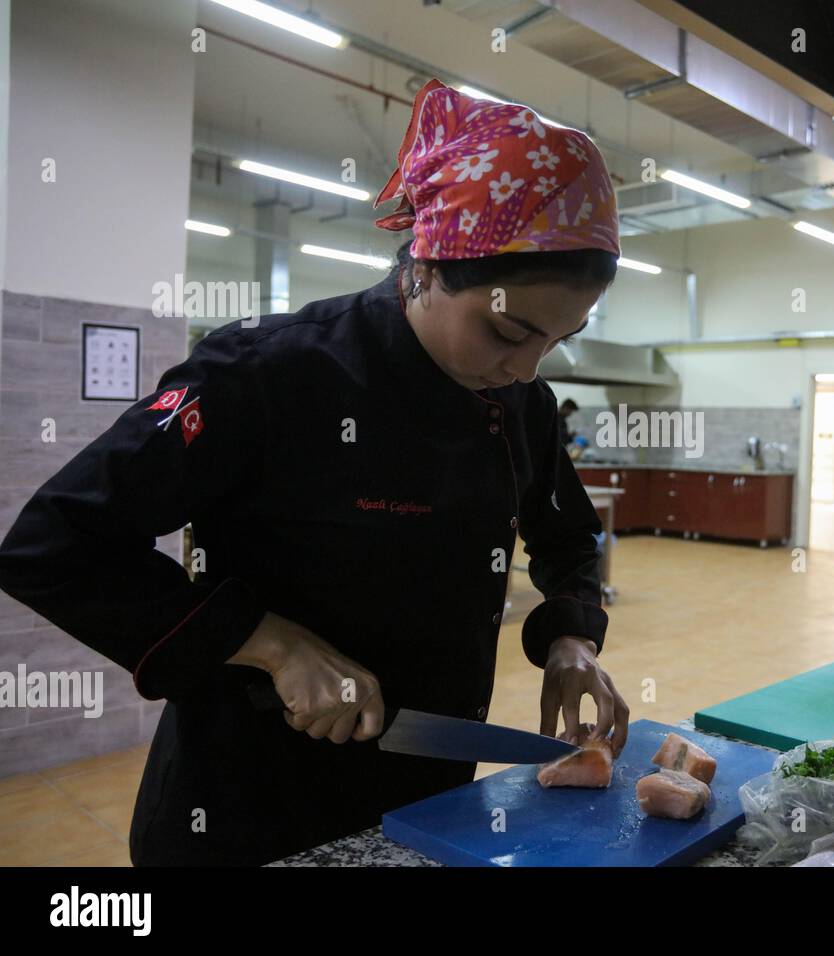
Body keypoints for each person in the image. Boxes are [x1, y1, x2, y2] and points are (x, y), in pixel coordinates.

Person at [0, 78, 630, 866]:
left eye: (557, 340)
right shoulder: (264, 374)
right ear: (429, 266)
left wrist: (572, 638)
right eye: (509, 329)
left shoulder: (520, 403)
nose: (527, 366)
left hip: (428, 801)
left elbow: (568, 536)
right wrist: (269, 645)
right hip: (245, 811)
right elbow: (53, 544)